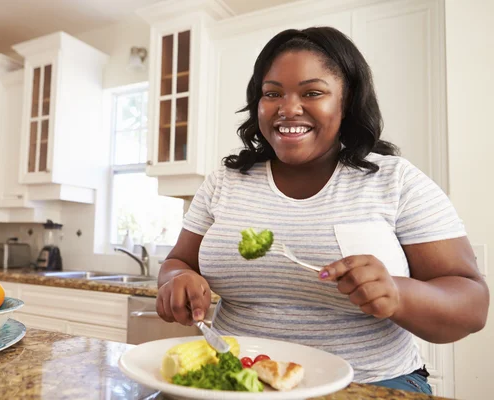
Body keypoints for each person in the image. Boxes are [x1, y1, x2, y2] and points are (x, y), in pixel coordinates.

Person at [155, 27, 489, 393]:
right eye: (272, 94)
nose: (288, 108)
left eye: (312, 92)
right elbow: (178, 263)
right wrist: (176, 281)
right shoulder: (225, 180)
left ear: (347, 103)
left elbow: (472, 306)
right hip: (236, 379)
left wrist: (398, 292)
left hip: (369, 383)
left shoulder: (395, 181)